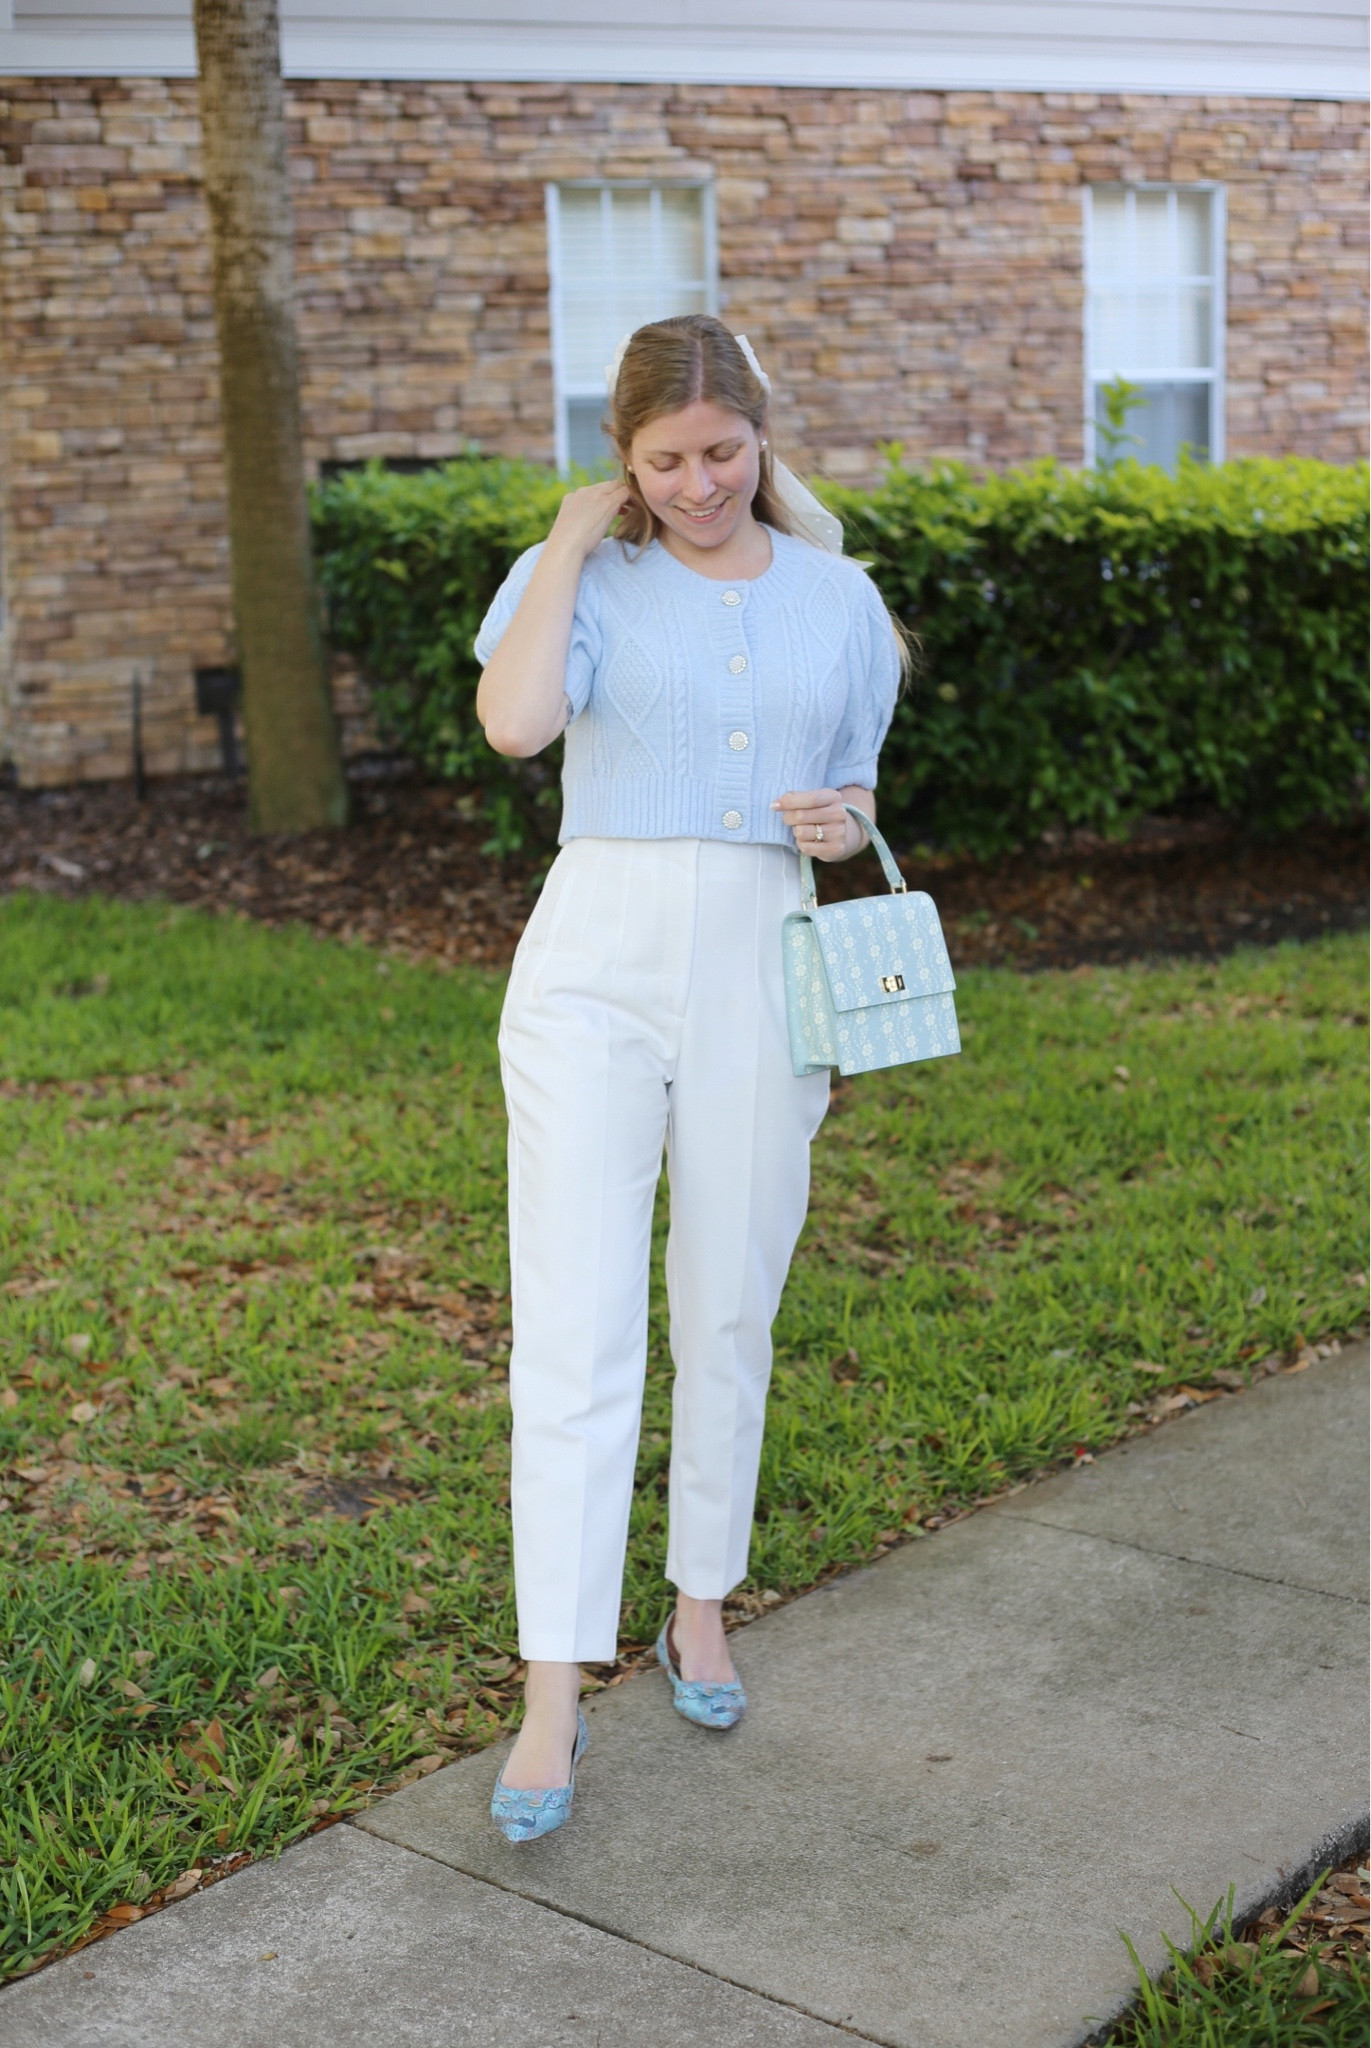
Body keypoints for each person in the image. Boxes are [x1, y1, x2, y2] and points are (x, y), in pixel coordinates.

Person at [473, 314, 901, 1842]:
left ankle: (699, 1605)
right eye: (665, 462)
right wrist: (572, 543)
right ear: (625, 460)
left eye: (724, 453)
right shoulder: (587, 576)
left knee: (729, 1295)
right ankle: (551, 1688)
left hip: (758, 961)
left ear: (764, 439)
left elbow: (854, 795)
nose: (701, 485)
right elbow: (518, 724)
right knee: (575, 1321)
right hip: (592, 959)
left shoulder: (841, 598)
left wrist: (839, 827)